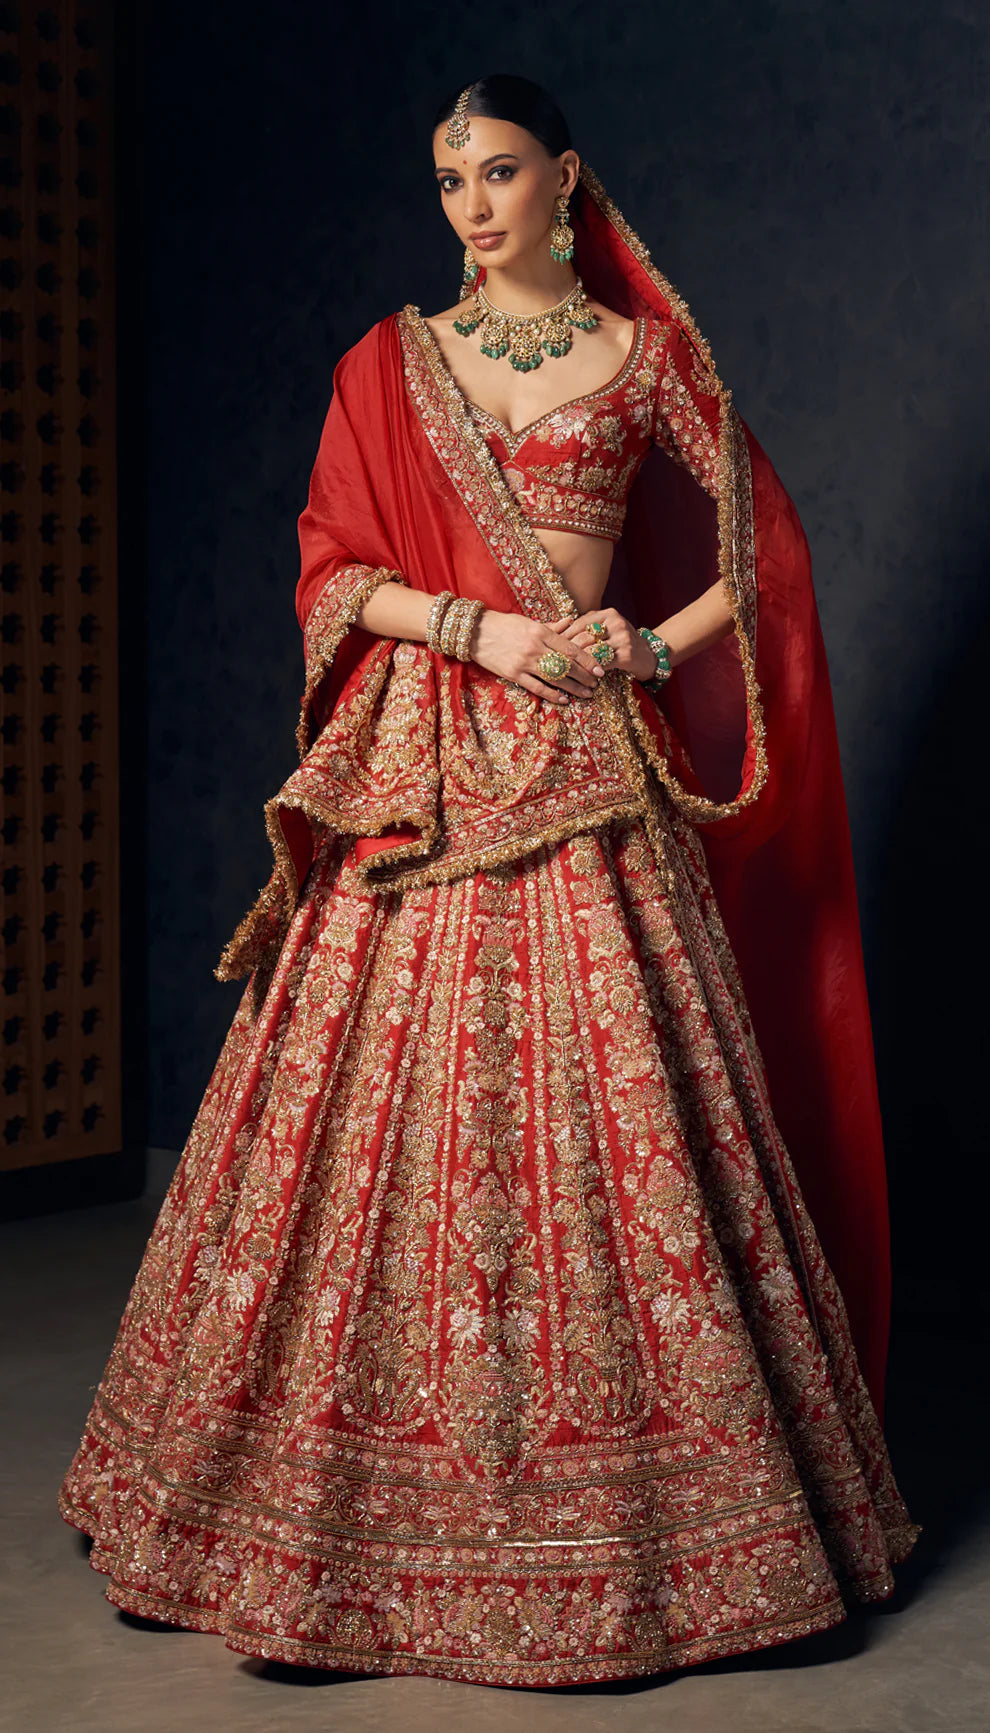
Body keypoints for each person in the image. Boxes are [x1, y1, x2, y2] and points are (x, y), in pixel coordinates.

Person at [58, 72, 921, 1689]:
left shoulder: (641, 353)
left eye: (501, 171)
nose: (470, 203)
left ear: (565, 178)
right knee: (367, 1103)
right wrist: (484, 629)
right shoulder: (390, 364)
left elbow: (753, 553)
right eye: (448, 177)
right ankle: (319, 1521)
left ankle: (672, 1517)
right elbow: (333, 567)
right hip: (424, 764)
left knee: (625, 1112)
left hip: (588, 754)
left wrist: (636, 647)